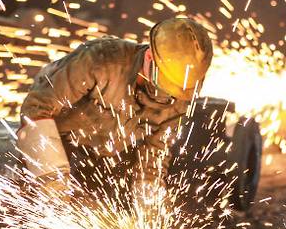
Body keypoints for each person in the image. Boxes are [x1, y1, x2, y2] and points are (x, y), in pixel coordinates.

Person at [15, 17, 213, 201]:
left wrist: (149, 208)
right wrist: (52, 182)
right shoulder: (102, 60)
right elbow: (36, 109)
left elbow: (154, 157)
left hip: (105, 166)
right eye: (164, 83)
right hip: (56, 151)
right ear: (150, 57)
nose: (166, 96)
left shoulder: (179, 97)